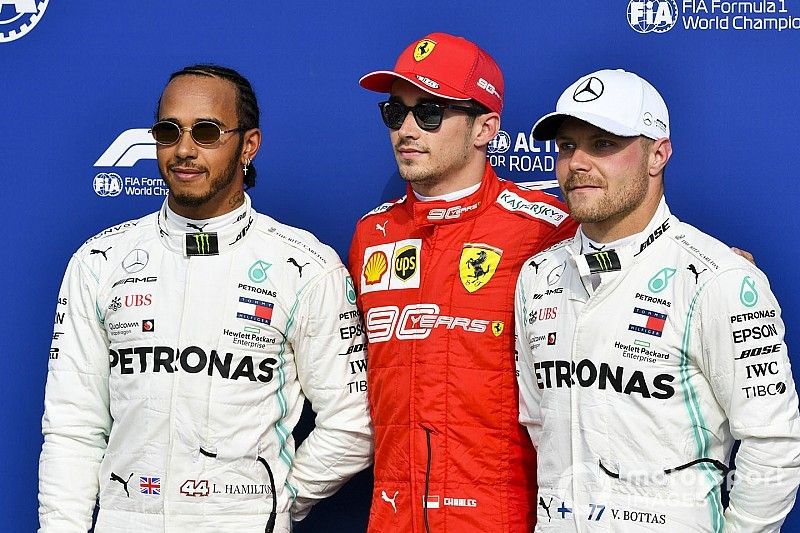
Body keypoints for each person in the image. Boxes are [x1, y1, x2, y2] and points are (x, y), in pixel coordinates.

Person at [38, 64, 372, 533]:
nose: (184, 149)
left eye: (207, 132)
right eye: (168, 131)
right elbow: (73, 428)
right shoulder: (99, 261)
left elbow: (353, 424)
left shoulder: (305, 266)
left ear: (248, 146)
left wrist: (271, 504)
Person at [515, 68, 800, 531]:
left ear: (658, 155)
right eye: (567, 146)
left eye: (603, 144)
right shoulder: (537, 276)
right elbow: (539, 424)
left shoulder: (719, 277)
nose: (577, 163)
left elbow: (776, 443)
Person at [349, 33, 578, 532]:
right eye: (395, 112)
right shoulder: (372, 234)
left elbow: (635, 268)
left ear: (485, 128)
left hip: (500, 517)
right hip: (393, 517)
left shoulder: (545, 228)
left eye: (429, 112)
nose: (407, 129)